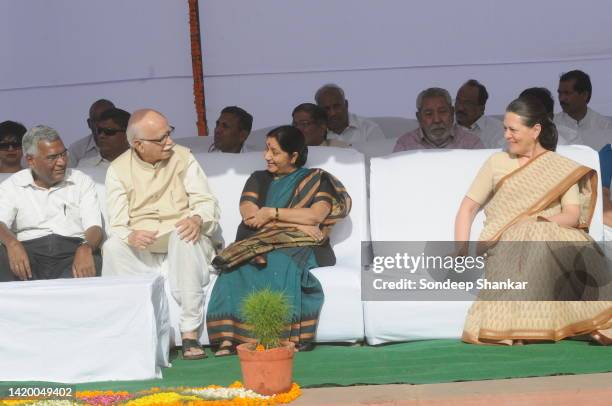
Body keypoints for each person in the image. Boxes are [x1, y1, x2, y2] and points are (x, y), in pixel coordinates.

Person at [455, 96, 612, 345]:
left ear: (536, 130)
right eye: (504, 128)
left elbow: (572, 215)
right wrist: (461, 250)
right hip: (507, 243)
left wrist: (535, 222)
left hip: (553, 236)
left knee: (560, 238)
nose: (506, 135)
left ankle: (600, 321)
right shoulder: (497, 163)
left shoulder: (560, 167)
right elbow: (468, 207)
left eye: (513, 130)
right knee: (530, 235)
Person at [206, 125, 351, 356]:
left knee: (278, 264)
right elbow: (250, 216)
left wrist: (272, 213)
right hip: (260, 240)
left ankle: (279, 337)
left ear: (293, 156)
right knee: (236, 265)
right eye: (267, 149)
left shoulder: (317, 179)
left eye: (274, 152)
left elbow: (316, 216)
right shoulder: (259, 179)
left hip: (301, 245)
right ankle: (230, 338)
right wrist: (297, 223)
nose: (267, 156)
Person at [102, 109, 220, 360]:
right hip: (145, 248)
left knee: (184, 235)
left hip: (183, 240)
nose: (170, 142)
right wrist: (130, 236)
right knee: (112, 247)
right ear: (138, 145)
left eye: (169, 133)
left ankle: (189, 334)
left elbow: (206, 202)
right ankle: (130, 332)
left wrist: (197, 218)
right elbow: (117, 223)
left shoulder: (184, 158)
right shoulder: (118, 169)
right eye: (161, 139)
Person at [0, 125, 103, 282]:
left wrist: (86, 247)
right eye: (52, 157)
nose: (62, 162)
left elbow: (94, 227)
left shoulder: (81, 181)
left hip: (73, 252)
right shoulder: (13, 185)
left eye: (63, 154)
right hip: (27, 255)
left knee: (94, 258)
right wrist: (12, 244)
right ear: (30, 160)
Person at [393, 87, 484, 151]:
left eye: (442, 112)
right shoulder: (405, 145)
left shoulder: (471, 144)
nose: (437, 120)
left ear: (452, 113)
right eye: (429, 114)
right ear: (419, 117)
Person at [554, 70, 612, 150]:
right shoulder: (552, 126)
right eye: (560, 93)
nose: (561, 98)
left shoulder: (606, 126)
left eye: (567, 93)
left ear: (584, 95)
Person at [315, 84, 384, 144]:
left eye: (336, 106)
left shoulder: (368, 129)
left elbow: (380, 157)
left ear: (346, 105)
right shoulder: (315, 132)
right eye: (326, 109)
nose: (333, 113)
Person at [455, 80, 505, 148]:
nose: (460, 107)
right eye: (458, 101)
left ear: (481, 108)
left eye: (467, 103)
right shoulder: (446, 127)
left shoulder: (498, 130)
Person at [68, 99, 115, 167]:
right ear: (89, 124)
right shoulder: (76, 150)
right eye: (98, 120)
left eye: (107, 120)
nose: (102, 125)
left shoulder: (128, 146)